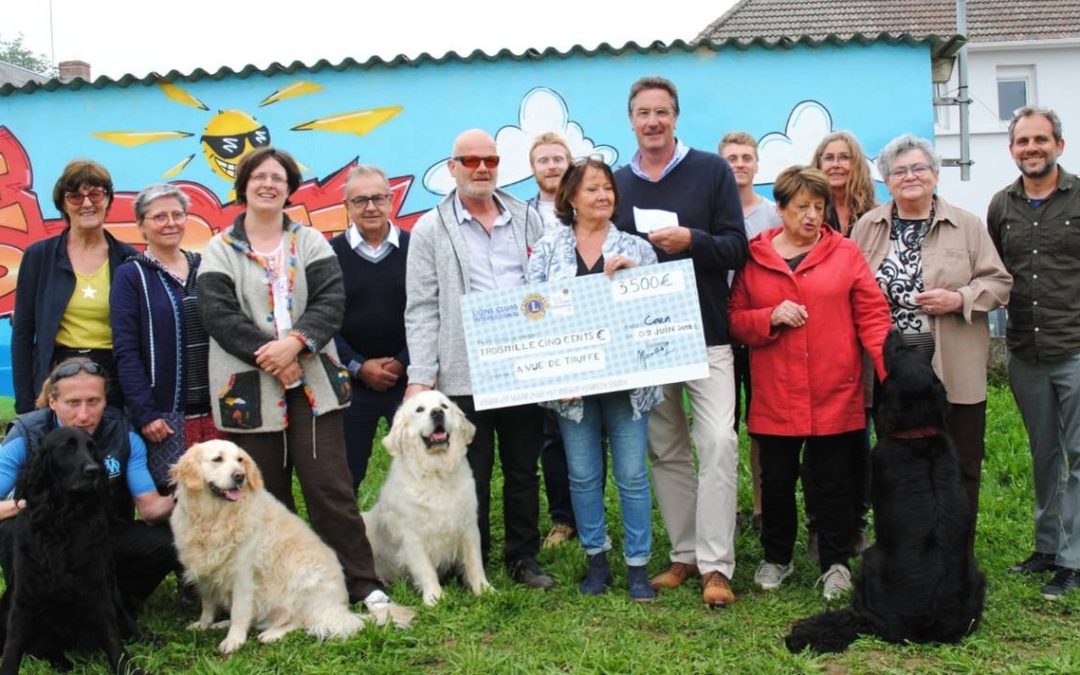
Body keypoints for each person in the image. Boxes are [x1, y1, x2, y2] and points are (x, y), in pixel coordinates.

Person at [197, 147, 410, 619]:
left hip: (313, 383)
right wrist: (271, 357)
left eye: (278, 178)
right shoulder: (218, 249)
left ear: (289, 188)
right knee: (263, 491)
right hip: (248, 390)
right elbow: (217, 314)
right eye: (260, 176)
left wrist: (295, 345)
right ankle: (277, 586)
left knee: (328, 485)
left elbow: (331, 303)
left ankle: (362, 582)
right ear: (245, 185)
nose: (269, 184)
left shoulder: (310, 242)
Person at [613, 76, 747, 607]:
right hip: (646, 339)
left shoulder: (711, 171)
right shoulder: (618, 183)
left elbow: (736, 249)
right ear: (630, 120)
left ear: (676, 116)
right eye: (643, 113)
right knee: (666, 448)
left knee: (717, 441)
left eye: (662, 112)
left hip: (708, 333)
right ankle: (685, 555)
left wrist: (693, 241)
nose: (653, 121)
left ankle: (718, 565)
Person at [729, 165, 890, 600]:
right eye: (801, 207)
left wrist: (886, 367)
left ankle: (835, 563)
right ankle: (776, 557)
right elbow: (735, 321)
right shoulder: (754, 257)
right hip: (776, 394)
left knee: (835, 482)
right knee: (777, 481)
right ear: (779, 208)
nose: (812, 216)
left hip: (835, 389)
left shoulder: (845, 254)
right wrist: (769, 317)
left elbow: (872, 314)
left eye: (819, 207)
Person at [404, 129, 554, 590]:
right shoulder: (430, 228)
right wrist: (421, 376)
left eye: (489, 159)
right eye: (470, 160)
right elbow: (423, 307)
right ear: (453, 168)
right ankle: (475, 560)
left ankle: (523, 557)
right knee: (471, 471)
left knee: (523, 468)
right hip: (464, 372)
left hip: (523, 366)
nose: (481, 168)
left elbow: (549, 285)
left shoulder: (528, 218)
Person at [852, 134, 1012, 529]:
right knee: (895, 462)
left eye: (919, 168)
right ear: (886, 182)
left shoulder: (967, 224)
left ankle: (955, 547)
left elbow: (999, 282)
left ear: (936, 174)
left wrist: (959, 299)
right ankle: (901, 541)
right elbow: (850, 286)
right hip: (887, 372)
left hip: (952, 367)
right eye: (899, 171)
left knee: (960, 461)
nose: (910, 176)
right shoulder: (867, 227)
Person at [527, 158, 660, 600]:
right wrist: (550, 374)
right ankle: (596, 561)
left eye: (607, 189)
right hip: (573, 390)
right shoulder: (548, 249)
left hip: (627, 385)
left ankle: (638, 566)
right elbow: (534, 315)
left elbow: (656, 311)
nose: (603, 196)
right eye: (592, 190)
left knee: (632, 475)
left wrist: (632, 281)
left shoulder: (635, 247)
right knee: (583, 476)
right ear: (569, 198)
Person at [0, 358, 177, 619]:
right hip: (45, 533)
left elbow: (150, 509)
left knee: (170, 542)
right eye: (73, 403)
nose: (84, 415)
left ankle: (120, 604)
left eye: (93, 402)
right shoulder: (27, 434)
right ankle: (32, 613)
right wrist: (31, 504)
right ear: (52, 402)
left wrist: (186, 493)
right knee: (11, 530)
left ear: (105, 401)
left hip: (100, 531)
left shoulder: (123, 433)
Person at [988, 106, 1080, 600]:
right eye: (1023, 141)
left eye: (1040, 140)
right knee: (1043, 454)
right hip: (1025, 348)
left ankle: (1072, 559)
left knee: (1079, 454)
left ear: (1058, 146)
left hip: (1075, 346)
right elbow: (995, 272)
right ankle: (1047, 547)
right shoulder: (1001, 205)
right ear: (1012, 150)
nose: (1032, 148)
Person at [111, 184, 223, 492]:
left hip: (216, 411)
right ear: (141, 225)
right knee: (177, 497)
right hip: (168, 416)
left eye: (178, 214)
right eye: (159, 216)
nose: (171, 223)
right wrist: (145, 413)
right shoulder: (131, 275)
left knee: (222, 496)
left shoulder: (205, 267)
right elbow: (126, 350)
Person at [11, 159, 135, 414]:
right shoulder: (39, 257)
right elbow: (23, 333)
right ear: (63, 203)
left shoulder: (128, 259)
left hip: (114, 380)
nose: (87, 203)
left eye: (95, 194)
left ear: (108, 200)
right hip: (56, 376)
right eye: (76, 197)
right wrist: (25, 402)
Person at [330, 165, 410, 494]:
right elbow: (322, 320)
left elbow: (430, 311)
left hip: (410, 381)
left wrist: (404, 361)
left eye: (378, 198)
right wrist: (358, 366)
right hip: (350, 383)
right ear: (347, 207)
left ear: (391, 200)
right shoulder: (328, 254)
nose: (371, 207)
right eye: (360, 200)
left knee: (421, 473)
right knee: (346, 475)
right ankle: (346, 545)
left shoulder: (416, 247)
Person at [720, 131, 783, 535]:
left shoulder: (773, 215)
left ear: (757, 165)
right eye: (731, 158)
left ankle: (762, 508)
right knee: (723, 427)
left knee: (762, 422)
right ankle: (723, 508)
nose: (739, 164)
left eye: (746, 157)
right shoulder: (711, 210)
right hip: (721, 331)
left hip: (762, 330)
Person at [526, 132, 581, 548]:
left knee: (587, 429)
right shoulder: (520, 216)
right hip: (540, 335)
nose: (551, 166)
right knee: (551, 435)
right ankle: (562, 519)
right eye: (542, 160)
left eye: (557, 158)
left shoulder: (586, 212)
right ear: (532, 169)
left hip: (582, 331)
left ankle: (590, 515)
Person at [810, 131, 877, 236]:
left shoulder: (875, 214)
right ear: (819, 164)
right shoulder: (809, 213)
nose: (835, 165)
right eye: (829, 158)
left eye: (844, 157)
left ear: (857, 164)